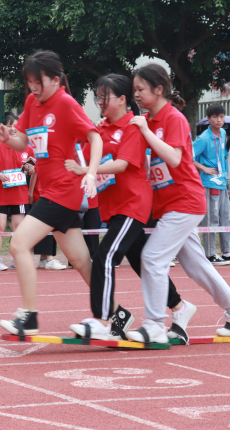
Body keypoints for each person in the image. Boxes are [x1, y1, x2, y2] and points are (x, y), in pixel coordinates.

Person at [0, 50, 135, 339]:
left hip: (64, 191)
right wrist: (8, 138)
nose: (33, 87)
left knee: (19, 244)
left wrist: (91, 172)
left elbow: (94, 137)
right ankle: (118, 314)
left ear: (56, 80)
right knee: (82, 262)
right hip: (50, 191)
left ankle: (29, 317)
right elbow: (23, 142)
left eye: (38, 82)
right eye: (29, 81)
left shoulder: (66, 103)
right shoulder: (32, 103)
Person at [127, 63, 230, 344]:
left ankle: (154, 324)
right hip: (166, 204)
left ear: (159, 89)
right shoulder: (147, 121)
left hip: (184, 201)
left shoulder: (173, 118)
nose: (135, 94)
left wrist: (146, 132)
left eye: (140, 89)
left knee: (152, 258)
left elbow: (173, 158)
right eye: (133, 89)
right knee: (197, 265)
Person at [65, 74, 193, 341]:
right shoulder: (100, 130)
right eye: (98, 97)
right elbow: (81, 155)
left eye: (105, 96)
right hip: (113, 207)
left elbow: (122, 165)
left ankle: (102, 320)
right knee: (141, 262)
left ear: (122, 100)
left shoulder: (133, 127)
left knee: (104, 257)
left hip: (133, 205)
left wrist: (88, 170)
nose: (100, 101)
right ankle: (179, 306)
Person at [193, 104, 230, 265]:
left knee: (226, 217)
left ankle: (226, 252)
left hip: (222, 181)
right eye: (215, 117)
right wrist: (204, 168)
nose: (219, 120)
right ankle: (209, 253)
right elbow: (188, 156)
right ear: (209, 119)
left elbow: (222, 154)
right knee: (211, 218)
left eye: (221, 116)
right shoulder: (203, 138)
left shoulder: (223, 133)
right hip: (209, 183)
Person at [0, 113, 34, 271]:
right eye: (9, 125)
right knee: (0, 226)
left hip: (19, 194)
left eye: (16, 126)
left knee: (18, 227)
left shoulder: (28, 148)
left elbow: (32, 170)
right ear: (4, 128)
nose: (13, 128)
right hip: (1, 194)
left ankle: (16, 258)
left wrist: (28, 169)